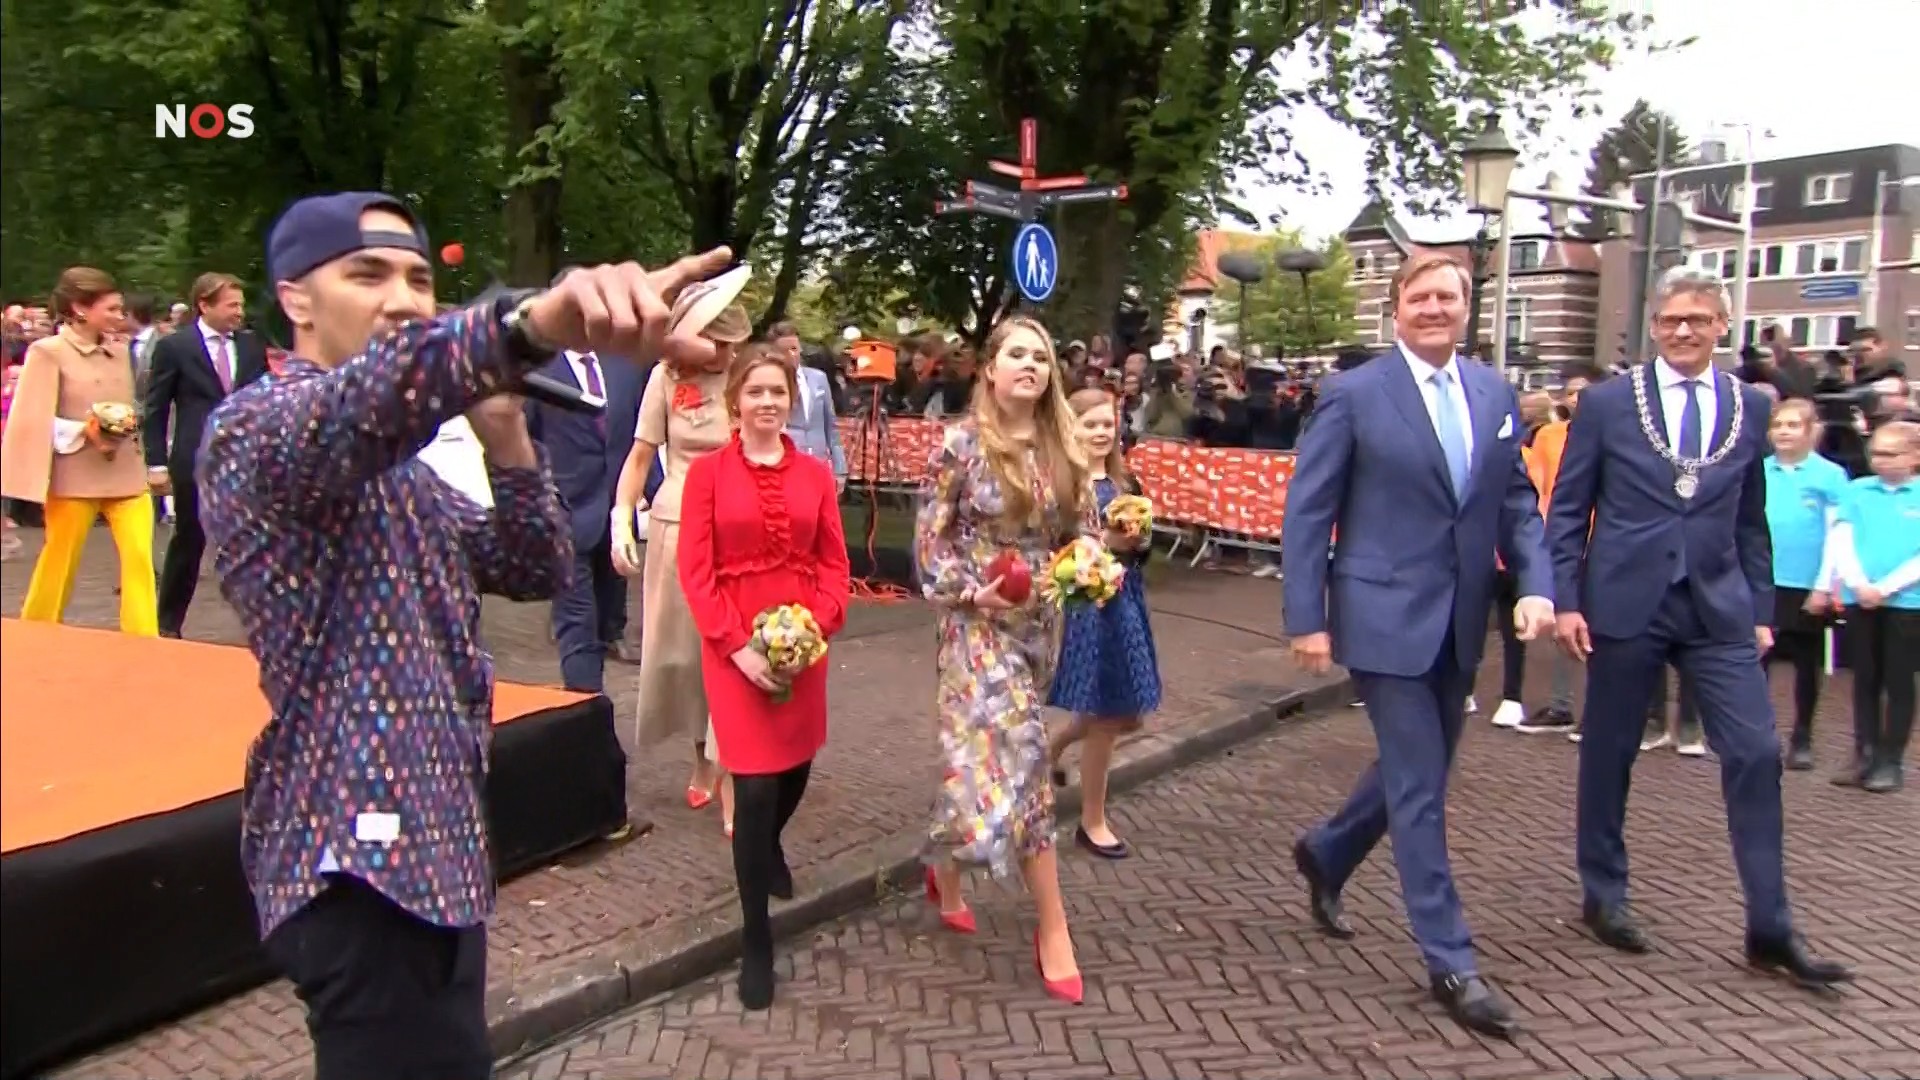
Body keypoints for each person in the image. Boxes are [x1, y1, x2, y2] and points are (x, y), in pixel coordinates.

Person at [196, 189, 730, 1080]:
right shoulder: (255, 429)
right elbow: (367, 399)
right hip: (357, 866)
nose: (403, 299)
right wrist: (533, 321)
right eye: (367, 275)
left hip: (438, 855)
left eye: (418, 279)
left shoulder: (404, 474)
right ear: (294, 299)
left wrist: (507, 437)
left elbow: (533, 565)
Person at [1548, 266, 1849, 989]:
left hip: (1715, 606)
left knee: (1755, 750)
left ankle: (1770, 925)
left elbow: (1750, 519)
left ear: (1722, 325)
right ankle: (1603, 892)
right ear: (1653, 327)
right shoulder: (1610, 403)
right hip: (1626, 600)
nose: (1683, 331)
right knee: (1611, 750)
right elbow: (1568, 508)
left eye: (1698, 319)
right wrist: (1566, 598)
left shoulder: (1750, 404)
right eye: (1671, 320)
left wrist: (1760, 608)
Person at [1280, 251, 1554, 1038]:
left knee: (1419, 771)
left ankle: (1329, 851)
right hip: (1381, 616)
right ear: (1396, 308)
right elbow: (1309, 509)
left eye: (1448, 297)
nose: (1435, 308)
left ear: (1466, 309)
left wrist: (1537, 584)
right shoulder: (1354, 393)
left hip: (1460, 619)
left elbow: (1515, 503)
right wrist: (1306, 616)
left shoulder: (1493, 392)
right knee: (1420, 790)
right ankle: (1451, 959)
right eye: (1421, 296)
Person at [914, 314, 1094, 1004]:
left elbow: (1085, 528)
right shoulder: (960, 445)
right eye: (1017, 354)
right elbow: (930, 545)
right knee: (1024, 755)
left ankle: (944, 864)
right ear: (989, 369)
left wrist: (1091, 561)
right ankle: (1054, 926)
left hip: (1040, 625)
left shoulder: (1061, 446)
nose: (1030, 366)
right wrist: (970, 590)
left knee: (983, 761)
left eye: (1041, 357)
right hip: (975, 623)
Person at [676, 343, 851, 1009]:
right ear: (736, 402)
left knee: (796, 769)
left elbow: (834, 563)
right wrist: (736, 649)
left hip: (803, 643)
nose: (768, 402)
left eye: (779, 391)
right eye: (756, 392)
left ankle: (768, 843)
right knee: (752, 789)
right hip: (735, 645)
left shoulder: (815, 476)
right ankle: (756, 938)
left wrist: (819, 627)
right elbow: (696, 573)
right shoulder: (707, 476)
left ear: (792, 400)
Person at [610, 281, 752, 832]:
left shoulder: (747, 379)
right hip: (677, 523)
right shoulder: (664, 380)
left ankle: (733, 761)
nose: (722, 353)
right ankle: (701, 753)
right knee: (684, 653)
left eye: (729, 343)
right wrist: (622, 517)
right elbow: (640, 456)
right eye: (714, 341)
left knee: (735, 646)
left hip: (739, 524)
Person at [0, 266, 159, 635]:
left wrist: (132, 428)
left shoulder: (121, 352)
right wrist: (88, 429)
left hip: (127, 474)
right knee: (61, 558)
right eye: (112, 309)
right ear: (81, 309)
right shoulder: (48, 352)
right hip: (74, 477)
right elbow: (34, 418)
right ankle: (36, 631)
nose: (120, 317)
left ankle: (144, 640)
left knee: (139, 557)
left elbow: (136, 404)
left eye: (121, 309)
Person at [1046, 387, 1161, 859]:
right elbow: (1055, 548)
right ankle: (1092, 820)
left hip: (1127, 597)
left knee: (1127, 714)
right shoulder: (1062, 483)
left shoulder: (1126, 480)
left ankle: (1052, 749)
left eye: (1107, 424)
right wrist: (1096, 546)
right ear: (1070, 427)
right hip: (1091, 606)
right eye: (1089, 423)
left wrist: (1138, 540)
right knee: (1109, 714)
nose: (1100, 432)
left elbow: (1144, 544)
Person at [142, 272, 270, 638]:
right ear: (204, 305)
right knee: (190, 539)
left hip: (245, 458)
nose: (239, 312)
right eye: (231, 305)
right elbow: (156, 408)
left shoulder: (251, 345)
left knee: (253, 540)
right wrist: (156, 463)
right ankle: (168, 625)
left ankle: (265, 627)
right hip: (194, 457)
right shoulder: (175, 347)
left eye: (240, 305)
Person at [524, 323, 647, 693]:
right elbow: (524, 442)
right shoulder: (536, 371)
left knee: (607, 614)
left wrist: (656, 493)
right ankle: (586, 703)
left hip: (616, 516)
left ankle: (608, 644)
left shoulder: (624, 367)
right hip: (563, 513)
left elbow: (639, 441)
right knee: (577, 619)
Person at [1820, 420, 1919, 793]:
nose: (1880, 460)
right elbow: (1841, 538)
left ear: (1914, 456)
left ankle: (1891, 760)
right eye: (1875, 453)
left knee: (1899, 679)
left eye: (1890, 454)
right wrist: (1859, 584)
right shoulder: (1857, 490)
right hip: (1858, 598)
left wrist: (1885, 588)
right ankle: (1864, 752)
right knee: (1865, 678)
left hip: (1907, 602)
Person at [1759, 398, 1850, 771]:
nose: (1784, 431)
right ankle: (1759, 734)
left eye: (1793, 425)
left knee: (1805, 662)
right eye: (1778, 424)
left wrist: (1824, 584)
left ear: (1812, 431)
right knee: (1757, 660)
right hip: (1763, 581)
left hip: (1806, 582)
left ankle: (1802, 736)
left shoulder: (1830, 476)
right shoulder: (1758, 470)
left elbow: (1837, 534)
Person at [767, 322, 849, 492]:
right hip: (784, 462)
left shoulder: (818, 378)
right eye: (785, 351)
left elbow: (831, 427)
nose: (792, 355)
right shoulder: (769, 382)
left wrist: (840, 469)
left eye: (794, 349)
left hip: (818, 461)